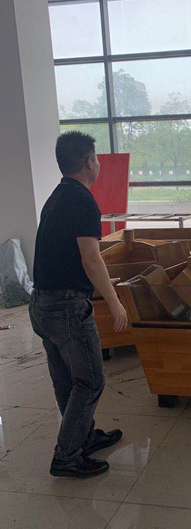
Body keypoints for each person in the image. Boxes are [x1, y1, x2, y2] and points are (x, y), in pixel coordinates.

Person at [29, 131, 128, 478]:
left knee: (68, 382)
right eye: (96, 158)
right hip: (66, 308)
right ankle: (67, 456)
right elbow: (91, 258)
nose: (98, 163)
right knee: (91, 381)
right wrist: (114, 302)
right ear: (89, 161)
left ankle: (82, 437)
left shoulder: (57, 196)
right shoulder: (83, 200)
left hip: (42, 305)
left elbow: (67, 255)